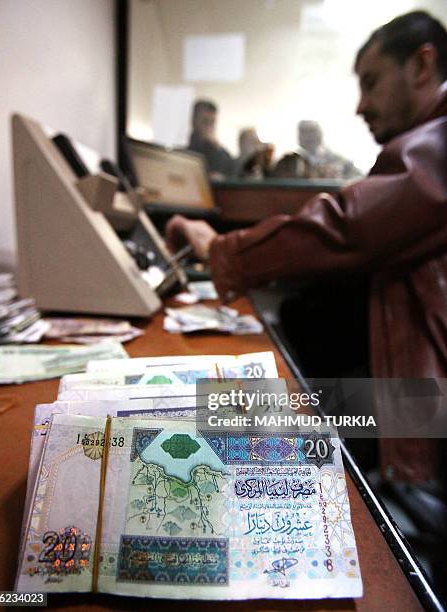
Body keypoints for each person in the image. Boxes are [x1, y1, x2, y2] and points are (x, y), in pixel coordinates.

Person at [166, 11, 447, 484]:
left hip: (421, 409)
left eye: (372, 82)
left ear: (422, 66)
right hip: (411, 392)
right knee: (227, 403)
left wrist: (219, 249)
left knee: (213, 411)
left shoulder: (437, 146)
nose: (360, 105)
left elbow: (348, 227)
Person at [273, 120, 362, 179]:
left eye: (312, 131)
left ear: (320, 134)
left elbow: (358, 177)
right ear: (299, 137)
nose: (309, 137)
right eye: (304, 132)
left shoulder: (339, 161)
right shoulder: (290, 162)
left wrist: (339, 176)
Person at [186, 99, 236, 179]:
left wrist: (217, 149)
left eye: (212, 122)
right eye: (205, 121)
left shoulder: (220, 152)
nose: (209, 127)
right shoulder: (185, 152)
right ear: (193, 121)